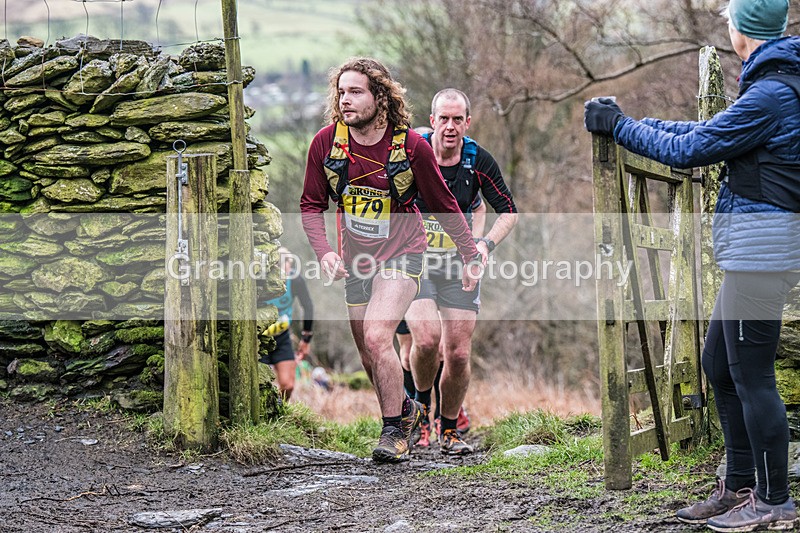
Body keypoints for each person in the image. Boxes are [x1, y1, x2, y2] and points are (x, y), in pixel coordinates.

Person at [585, 0, 800, 529]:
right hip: (753, 250)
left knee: (752, 375)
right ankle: (741, 485)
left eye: (729, 19)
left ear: (742, 28)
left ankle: (774, 501)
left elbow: (693, 149)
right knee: (718, 365)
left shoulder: (772, 94)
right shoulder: (773, 86)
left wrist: (620, 128)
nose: (727, 25)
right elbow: (707, 132)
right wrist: (632, 123)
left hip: (762, 252)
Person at [300, 57, 483, 464]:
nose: (345, 100)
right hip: (356, 262)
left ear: (380, 97)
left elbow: (443, 204)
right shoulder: (326, 144)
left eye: (356, 91)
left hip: (403, 254)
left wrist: (470, 255)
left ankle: (393, 434)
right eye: (341, 92)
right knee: (370, 354)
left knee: (377, 336)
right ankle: (407, 409)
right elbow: (311, 204)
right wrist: (325, 251)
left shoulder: (411, 147)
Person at [406, 88, 518, 454]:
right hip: (416, 263)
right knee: (426, 341)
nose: (450, 127)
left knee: (457, 354)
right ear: (432, 120)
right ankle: (421, 409)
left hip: (459, 265)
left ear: (467, 123)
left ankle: (450, 429)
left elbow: (509, 211)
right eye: (444, 119)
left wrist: (484, 245)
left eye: (458, 119)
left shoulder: (477, 160)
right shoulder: (412, 152)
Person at [258, 247, 314, 401]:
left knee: (288, 385)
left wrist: (306, 339)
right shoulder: (261, 281)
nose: (289, 270)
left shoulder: (295, 280)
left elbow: (308, 306)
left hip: (282, 337)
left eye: (290, 265)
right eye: (285, 267)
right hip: (259, 339)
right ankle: (264, 410)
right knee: (258, 385)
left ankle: (277, 408)